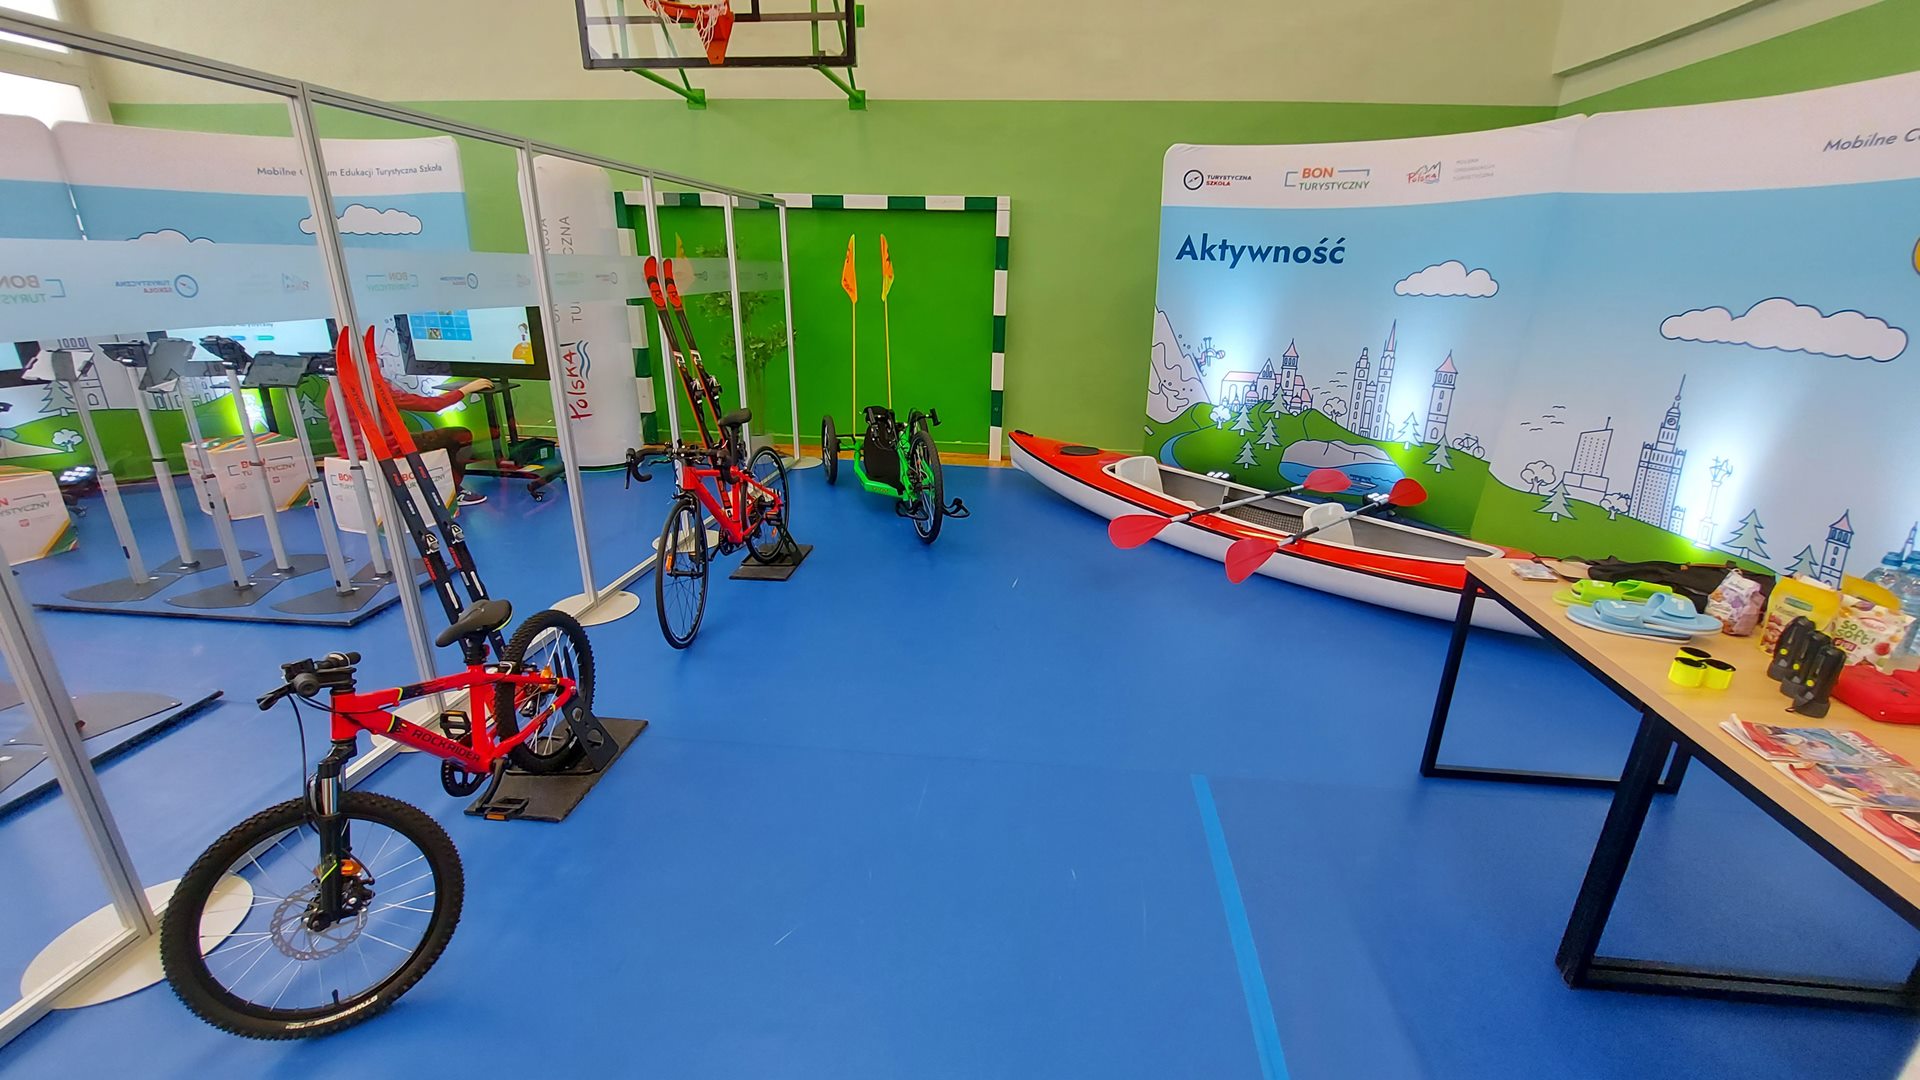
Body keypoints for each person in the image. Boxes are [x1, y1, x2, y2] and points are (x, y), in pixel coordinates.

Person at [326, 370, 495, 505]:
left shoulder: (335, 387)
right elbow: (432, 405)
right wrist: (465, 390)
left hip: (353, 452)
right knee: (459, 435)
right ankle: (453, 492)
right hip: (385, 449)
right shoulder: (367, 386)